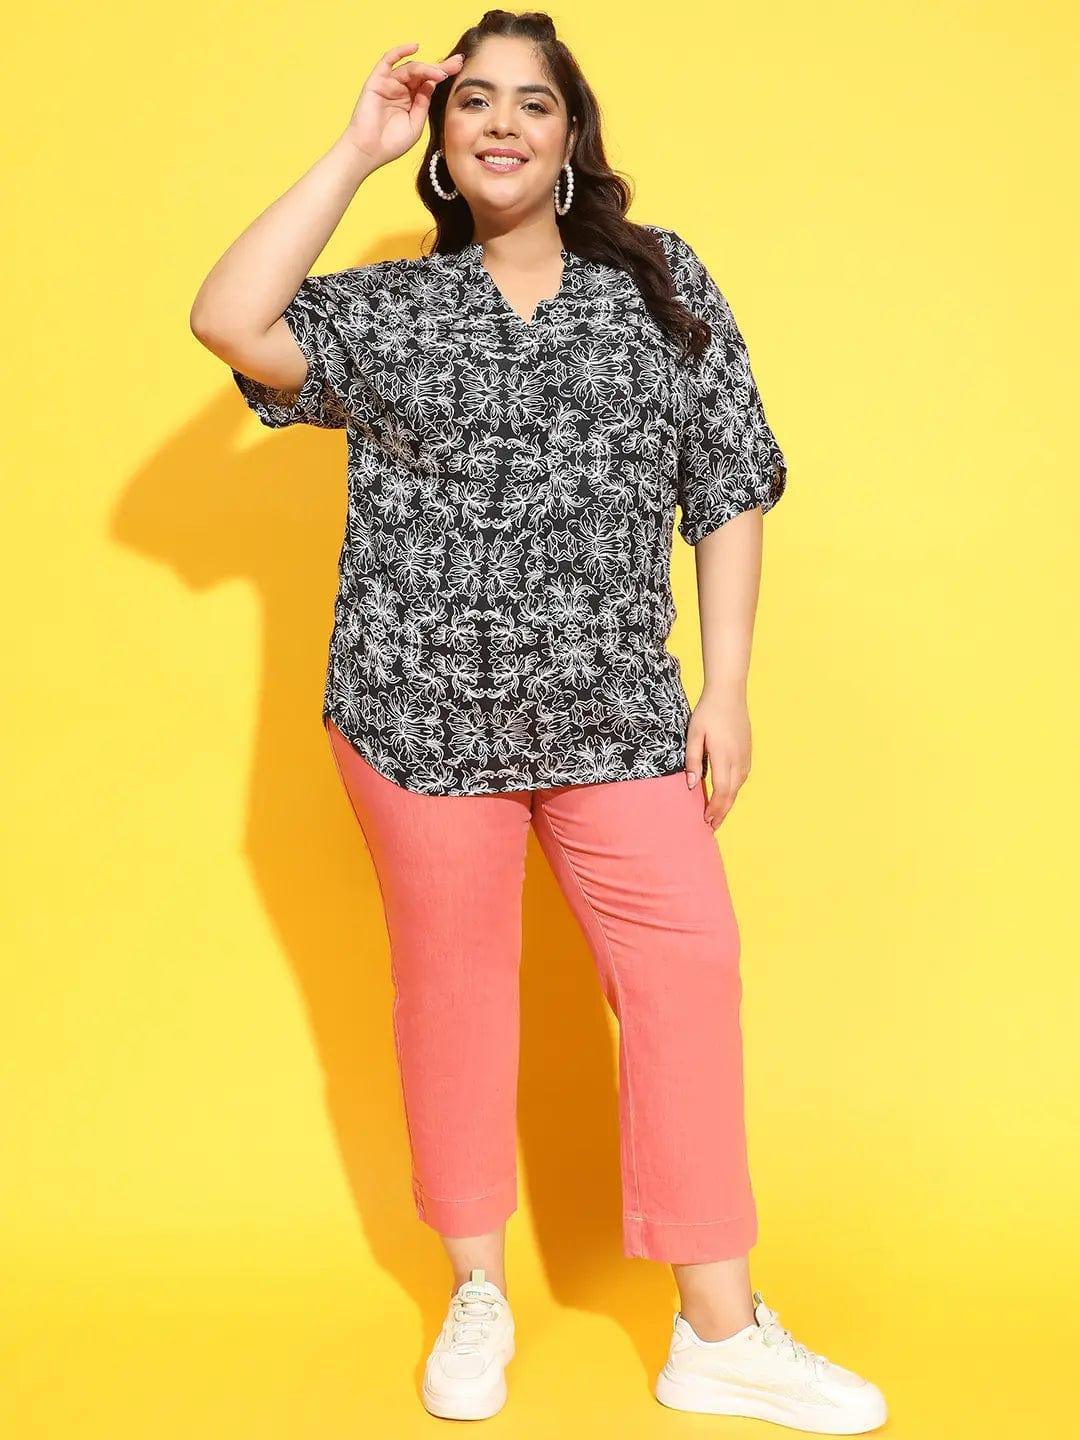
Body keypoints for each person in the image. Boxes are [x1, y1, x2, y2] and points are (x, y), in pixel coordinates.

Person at [190, 11, 887, 1433]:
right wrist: (356, 145)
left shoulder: (661, 284)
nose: (503, 123)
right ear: (443, 142)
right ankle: (476, 1293)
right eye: (475, 104)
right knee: (453, 996)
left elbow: (729, 478)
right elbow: (229, 320)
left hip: (613, 711)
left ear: (572, 138)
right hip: (416, 715)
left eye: (534, 103)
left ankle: (718, 1332)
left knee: (688, 971)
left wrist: (728, 684)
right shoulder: (392, 311)